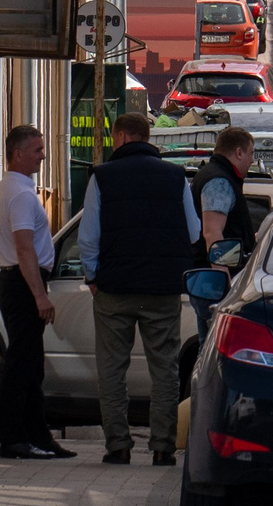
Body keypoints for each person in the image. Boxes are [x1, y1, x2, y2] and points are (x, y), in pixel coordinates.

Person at [81, 112, 202, 466]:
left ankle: (118, 446)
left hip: (114, 289)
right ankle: (163, 447)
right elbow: (194, 232)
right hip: (162, 290)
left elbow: (88, 238)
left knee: (112, 369)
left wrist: (93, 278)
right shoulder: (175, 177)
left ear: (120, 137)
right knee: (165, 370)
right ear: (147, 137)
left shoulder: (102, 177)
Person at [0, 123, 71, 460]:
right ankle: (12, 438)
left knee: (31, 363)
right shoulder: (20, 195)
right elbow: (24, 249)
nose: (43, 156)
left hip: (17, 281)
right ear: (17, 154)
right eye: (37, 150)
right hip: (22, 283)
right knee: (22, 363)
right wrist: (39, 295)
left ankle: (38, 436)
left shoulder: (9, 188)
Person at [188, 126, 255, 336]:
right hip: (215, 284)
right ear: (239, 152)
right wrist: (225, 284)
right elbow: (212, 233)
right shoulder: (220, 181)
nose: (252, 160)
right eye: (251, 153)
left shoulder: (213, 174)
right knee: (214, 345)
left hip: (208, 280)